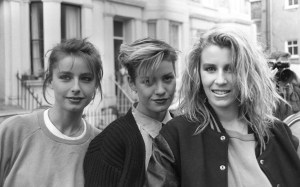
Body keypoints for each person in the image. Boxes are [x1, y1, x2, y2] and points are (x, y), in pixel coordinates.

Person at [145, 25, 300, 187]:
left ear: (246, 73)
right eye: (210, 69)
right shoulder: (176, 135)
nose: (220, 80)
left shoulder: (279, 133)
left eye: (230, 69)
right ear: (198, 73)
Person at [0, 38, 103, 187]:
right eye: (65, 77)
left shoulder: (101, 144)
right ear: (50, 81)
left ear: (96, 86)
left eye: (86, 78)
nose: (76, 87)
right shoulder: (14, 131)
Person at [84, 37, 177, 187]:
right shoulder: (108, 144)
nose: (160, 90)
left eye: (167, 78)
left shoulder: (187, 132)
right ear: (132, 83)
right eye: (148, 81)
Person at [270, 51, 300, 121]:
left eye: (287, 65)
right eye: (280, 66)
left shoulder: (295, 83)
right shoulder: (267, 87)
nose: (284, 69)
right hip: (278, 129)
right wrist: (269, 82)